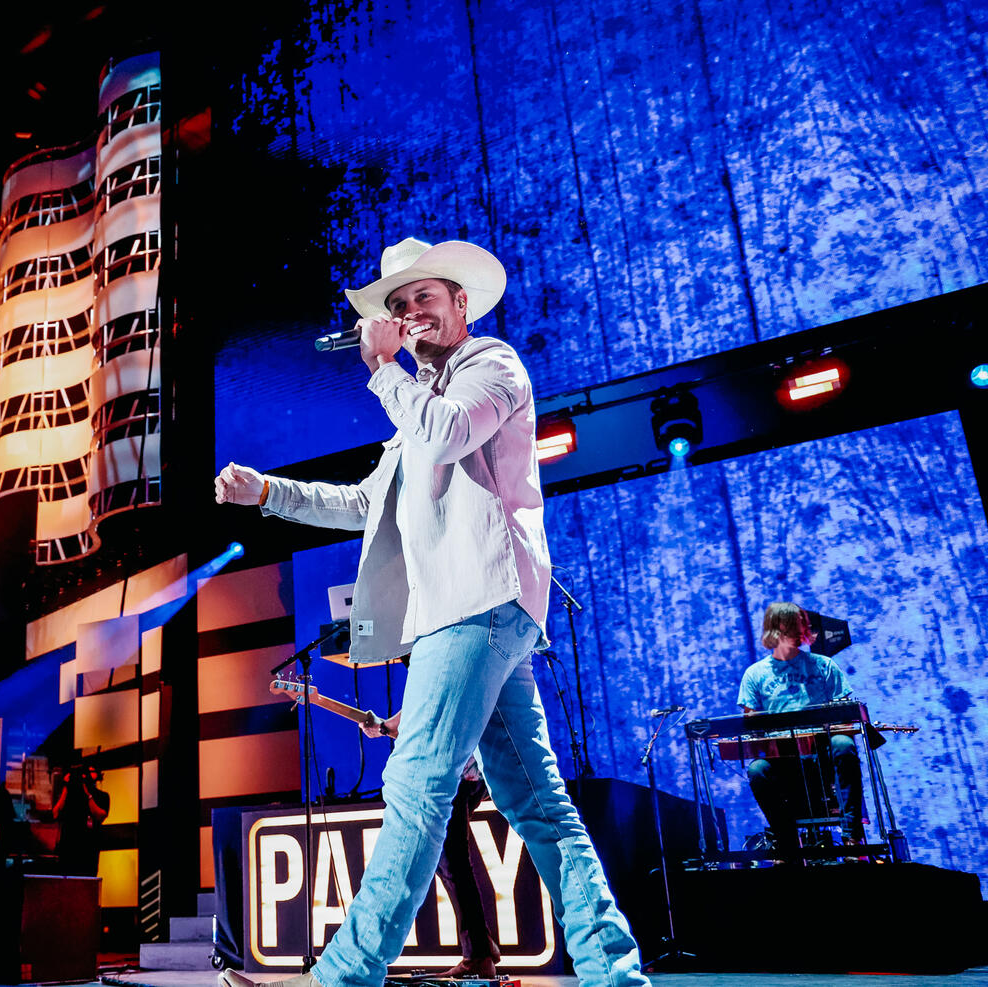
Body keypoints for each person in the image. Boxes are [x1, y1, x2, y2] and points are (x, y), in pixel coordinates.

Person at [215, 238, 647, 987]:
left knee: (415, 787)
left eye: (423, 299)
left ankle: (341, 977)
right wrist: (269, 492)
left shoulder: (493, 365)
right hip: (468, 613)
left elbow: (451, 431)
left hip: (479, 602)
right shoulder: (411, 417)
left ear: (459, 306)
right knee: (538, 803)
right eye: (397, 305)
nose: (409, 313)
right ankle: (616, 971)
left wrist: (384, 369)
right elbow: (359, 502)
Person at [364, 710, 501, 978]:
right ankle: (481, 945)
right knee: (445, 856)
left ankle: (480, 955)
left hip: (456, 768)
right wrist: (387, 726)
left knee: (452, 860)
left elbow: (428, 699)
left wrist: (386, 726)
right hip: (470, 767)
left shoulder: (430, 667)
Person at [738, 602, 863, 856]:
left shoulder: (824, 666)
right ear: (776, 629)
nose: (800, 631)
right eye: (792, 626)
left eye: (801, 625)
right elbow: (751, 727)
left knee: (843, 745)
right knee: (757, 769)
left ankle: (852, 836)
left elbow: (847, 717)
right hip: (783, 762)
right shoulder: (754, 674)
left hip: (822, 757)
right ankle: (786, 842)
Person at [52, 763, 110, 877]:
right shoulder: (69, 794)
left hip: (88, 850)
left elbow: (100, 815)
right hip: (68, 848)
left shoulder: (102, 796)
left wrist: (88, 794)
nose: (86, 776)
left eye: (91, 772)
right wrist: (66, 787)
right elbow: (56, 813)